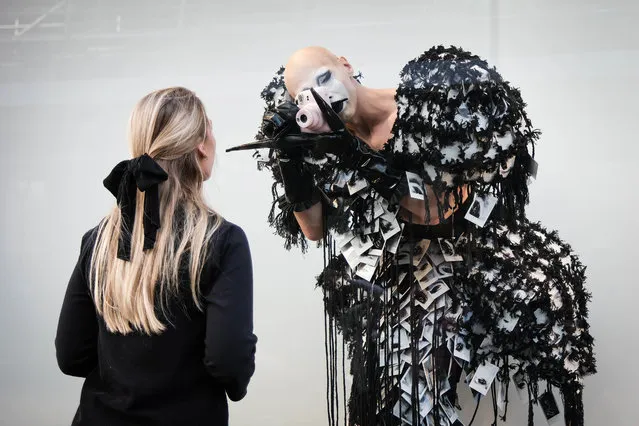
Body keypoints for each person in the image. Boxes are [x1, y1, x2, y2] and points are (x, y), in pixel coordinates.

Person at [243, 46, 595, 426]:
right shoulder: (323, 137)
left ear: (345, 65)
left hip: (450, 278)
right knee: (380, 404)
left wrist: (355, 155)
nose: (322, 95)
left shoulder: (422, 110)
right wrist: (290, 161)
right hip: (386, 286)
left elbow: (436, 207)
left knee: (426, 401)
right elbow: (314, 230)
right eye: (305, 94)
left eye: (324, 78)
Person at [55, 87, 257, 426]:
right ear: (201, 147)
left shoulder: (99, 241)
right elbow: (228, 362)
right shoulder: (222, 241)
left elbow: (71, 356)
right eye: (210, 128)